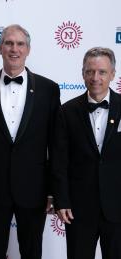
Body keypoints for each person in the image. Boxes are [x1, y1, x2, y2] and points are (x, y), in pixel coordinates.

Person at [0, 24, 60, 259]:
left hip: (34, 189)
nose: (14, 49)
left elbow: (56, 144)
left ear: (28, 49)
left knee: (32, 252)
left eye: (20, 44)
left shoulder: (48, 89)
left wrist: (53, 190)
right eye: (8, 43)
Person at [52, 47, 121, 259]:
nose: (95, 78)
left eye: (101, 72)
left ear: (112, 74)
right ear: (82, 74)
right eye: (90, 71)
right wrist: (62, 200)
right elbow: (59, 160)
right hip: (79, 209)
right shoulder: (67, 111)